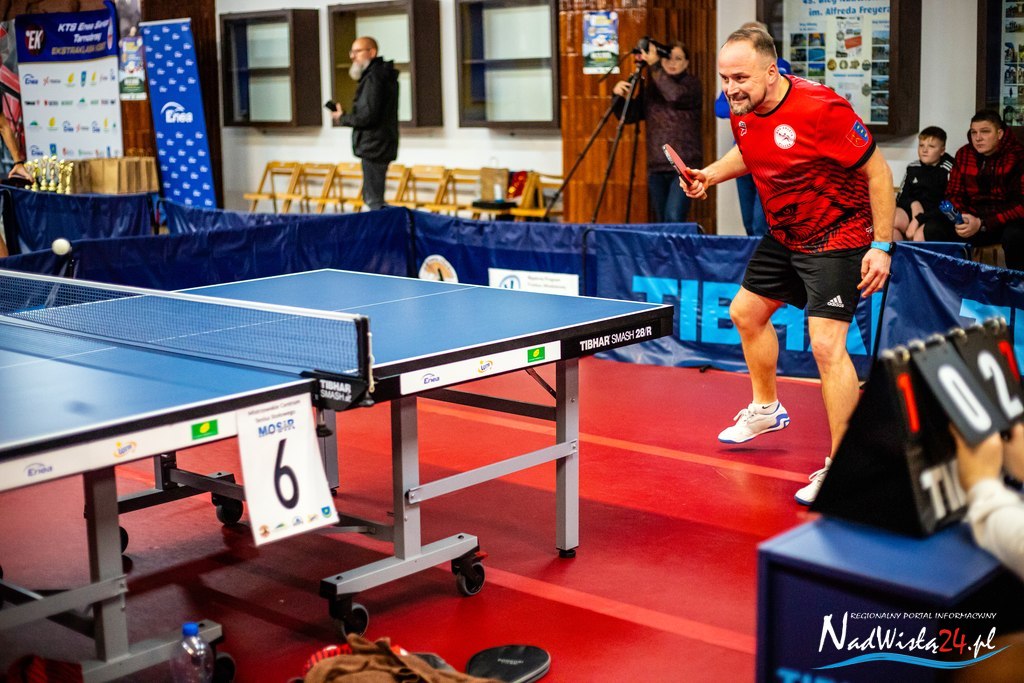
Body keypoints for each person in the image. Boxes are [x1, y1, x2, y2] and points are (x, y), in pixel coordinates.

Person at [683, 26, 894, 505]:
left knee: (826, 345)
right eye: (724, 78)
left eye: (740, 78)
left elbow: (879, 172)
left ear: (771, 72)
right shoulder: (743, 109)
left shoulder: (821, 109)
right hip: (786, 233)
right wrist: (709, 175)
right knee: (745, 313)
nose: (731, 88)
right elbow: (750, 149)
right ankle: (766, 408)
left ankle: (845, 467)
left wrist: (882, 245)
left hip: (839, 234)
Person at [713, 22, 791, 238]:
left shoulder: (780, 67)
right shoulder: (735, 74)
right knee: (748, 221)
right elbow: (719, 108)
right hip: (742, 151)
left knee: (760, 223)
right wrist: (744, 101)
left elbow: (783, 101)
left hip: (771, 154)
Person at [612, 40, 701, 223]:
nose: (672, 63)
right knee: (661, 220)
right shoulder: (653, 88)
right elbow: (630, 115)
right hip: (656, 166)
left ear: (686, 63)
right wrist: (618, 97)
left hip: (684, 165)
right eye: (667, 58)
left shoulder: (691, 85)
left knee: (674, 217)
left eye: (678, 59)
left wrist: (654, 66)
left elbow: (674, 95)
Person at [925, 110, 1024, 270]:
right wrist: (962, 217)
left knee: (1017, 234)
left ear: (999, 133)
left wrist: (983, 223)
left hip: (1001, 221)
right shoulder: (964, 153)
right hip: (970, 218)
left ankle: (1017, 282)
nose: (978, 138)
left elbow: (1020, 205)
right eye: (974, 132)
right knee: (934, 227)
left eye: (985, 132)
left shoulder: (1018, 156)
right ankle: (948, 279)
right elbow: (953, 194)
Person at [330, 37, 399, 211]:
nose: (352, 56)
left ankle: (381, 227)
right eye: (352, 52)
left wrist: (343, 118)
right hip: (378, 144)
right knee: (372, 197)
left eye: (357, 52)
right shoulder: (380, 75)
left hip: (375, 146)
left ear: (372, 52)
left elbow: (368, 116)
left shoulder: (374, 78)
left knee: (373, 199)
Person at [892, 126, 954, 242]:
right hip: (913, 212)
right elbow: (901, 198)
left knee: (920, 236)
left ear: (942, 151)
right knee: (890, 222)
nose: (924, 150)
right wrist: (914, 204)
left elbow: (949, 205)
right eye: (921, 145)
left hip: (934, 216)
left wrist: (919, 219)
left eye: (931, 146)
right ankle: (896, 253)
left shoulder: (949, 169)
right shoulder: (912, 168)